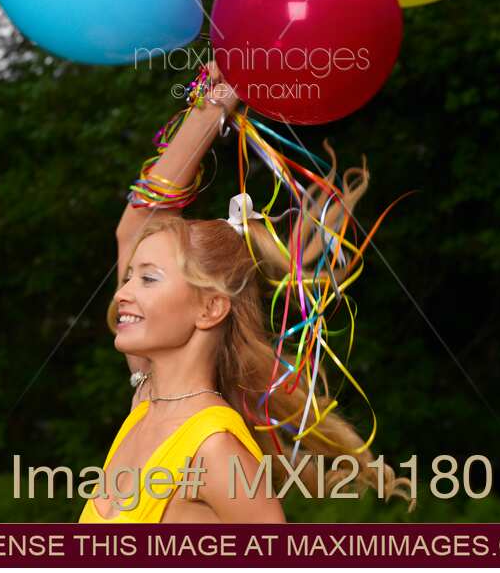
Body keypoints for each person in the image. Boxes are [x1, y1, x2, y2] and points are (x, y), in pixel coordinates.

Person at [78, 64, 411, 523]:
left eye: (148, 278)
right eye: (130, 277)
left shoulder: (215, 451)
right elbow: (136, 224)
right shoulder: (147, 399)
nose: (123, 295)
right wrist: (215, 101)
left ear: (211, 307)